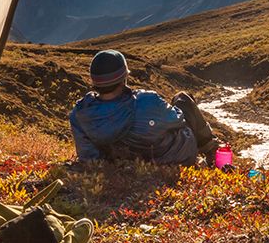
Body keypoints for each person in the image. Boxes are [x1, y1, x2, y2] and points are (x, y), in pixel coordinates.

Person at [69, 50, 220, 165]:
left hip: (126, 166)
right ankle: (212, 153)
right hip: (174, 157)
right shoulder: (146, 101)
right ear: (124, 78)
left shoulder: (80, 113)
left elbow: (87, 155)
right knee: (183, 99)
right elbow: (178, 120)